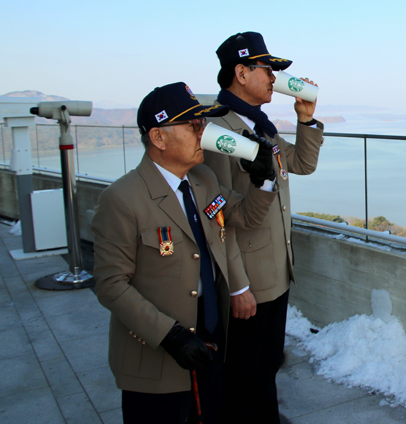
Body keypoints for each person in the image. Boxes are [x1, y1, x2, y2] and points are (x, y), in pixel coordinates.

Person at [92, 82, 278, 424]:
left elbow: (243, 216)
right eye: (192, 125)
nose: (202, 132)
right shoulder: (122, 199)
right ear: (159, 138)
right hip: (158, 357)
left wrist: (263, 179)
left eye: (202, 124)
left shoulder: (202, 179)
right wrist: (170, 335)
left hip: (208, 343)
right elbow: (110, 284)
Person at [201, 31, 324, 423]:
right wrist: (237, 285)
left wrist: (307, 120)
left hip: (275, 272)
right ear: (240, 72)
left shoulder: (261, 126)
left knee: (267, 363)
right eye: (266, 69)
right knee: (241, 372)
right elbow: (216, 219)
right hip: (248, 281)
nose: (274, 78)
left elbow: (302, 164)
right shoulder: (217, 132)